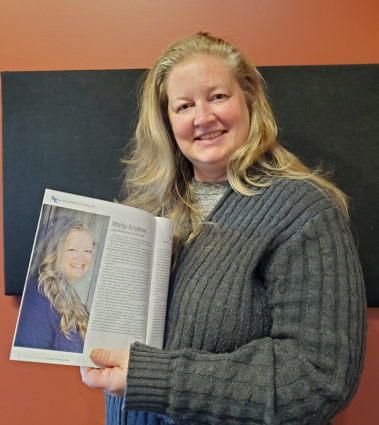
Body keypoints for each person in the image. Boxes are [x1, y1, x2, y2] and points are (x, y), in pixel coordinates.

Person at [81, 33, 366, 425]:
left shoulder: (306, 212)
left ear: (249, 100)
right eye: (184, 106)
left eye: (217, 97)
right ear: (167, 121)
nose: (202, 117)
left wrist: (158, 379)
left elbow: (317, 379)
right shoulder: (149, 209)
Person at [14, 217, 93, 353]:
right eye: (72, 249)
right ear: (55, 250)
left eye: (88, 251)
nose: (81, 258)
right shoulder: (39, 297)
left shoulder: (67, 293)